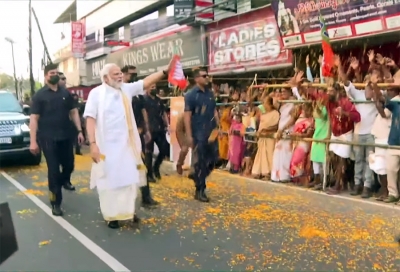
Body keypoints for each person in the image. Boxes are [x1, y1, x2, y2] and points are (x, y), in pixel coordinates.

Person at [84, 62, 170, 229]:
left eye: (120, 73)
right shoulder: (96, 94)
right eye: (115, 74)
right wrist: (93, 144)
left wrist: (165, 71)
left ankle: (127, 212)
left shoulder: (126, 89)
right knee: (109, 183)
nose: (119, 76)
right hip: (106, 147)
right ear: (105, 78)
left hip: (126, 146)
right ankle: (111, 216)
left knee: (129, 180)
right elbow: (90, 118)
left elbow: (146, 82)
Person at [29, 63, 84, 216]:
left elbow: (73, 112)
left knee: (69, 164)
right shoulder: (39, 96)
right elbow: (33, 119)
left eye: (56, 73)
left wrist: (79, 131)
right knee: (53, 170)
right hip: (47, 137)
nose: (54, 75)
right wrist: (33, 141)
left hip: (66, 135)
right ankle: (55, 202)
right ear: (46, 76)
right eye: (51, 73)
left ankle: (64, 180)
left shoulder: (65, 93)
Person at [121, 65, 158, 207]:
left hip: (139, 135)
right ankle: (126, 201)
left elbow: (144, 113)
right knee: (127, 167)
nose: (134, 76)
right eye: (131, 74)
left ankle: (146, 196)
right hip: (125, 136)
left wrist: (147, 130)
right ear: (123, 75)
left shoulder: (138, 95)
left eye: (135, 74)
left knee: (142, 165)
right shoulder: (121, 92)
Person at [184, 68, 219, 202]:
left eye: (207, 75)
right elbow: (187, 116)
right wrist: (189, 135)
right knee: (201, 162)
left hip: (211, 132)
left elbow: (214, 110)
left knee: (213, 161)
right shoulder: (191, 95)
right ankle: (200, 190)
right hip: (199, 132)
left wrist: (218, 125)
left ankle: (197, 176)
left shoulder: (210, 93)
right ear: (196, 78)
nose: (207, 78)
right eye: (204, 76)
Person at [142, 84, 170, 182]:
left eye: (155, 86)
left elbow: (163, 113)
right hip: (149, 130)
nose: (154, 88)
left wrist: (168, 125)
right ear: (147, 88)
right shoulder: (143, 100)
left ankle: (156, 167)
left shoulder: (158, 100)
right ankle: (149, 175)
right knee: (149, 152)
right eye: (151, 87)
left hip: (160, 129)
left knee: (164, 149)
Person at [252, 96, 280, 180]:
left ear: (269, 104)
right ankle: (259, 172)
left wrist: (266, 130)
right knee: (261, 154)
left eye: (265, 103)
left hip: (270, 138)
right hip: (262, 138)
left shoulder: (275, 113)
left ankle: (268, 173)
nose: (263, 105)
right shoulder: (263, 114)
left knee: (269, 155)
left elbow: (276, 126)